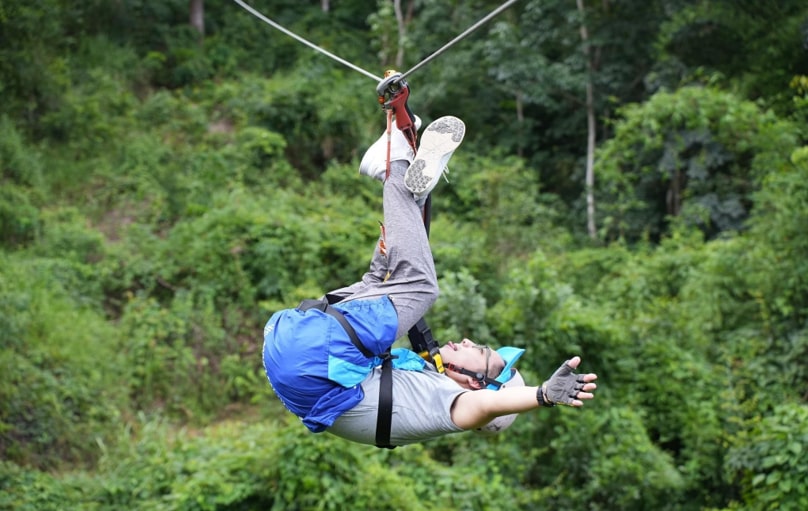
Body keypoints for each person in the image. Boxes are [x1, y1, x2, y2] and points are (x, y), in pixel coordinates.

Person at [262, 115, 598, 447]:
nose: (467, 341)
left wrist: (542, 395)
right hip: (291, 341)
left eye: (479, 351)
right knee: (382, 280)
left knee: (422, 287)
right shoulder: (425, 381)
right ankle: (406, 181)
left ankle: (390, 168)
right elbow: (382, 290)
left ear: (478, 383)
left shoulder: (450, 404)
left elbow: (485, 408)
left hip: (313, 358)